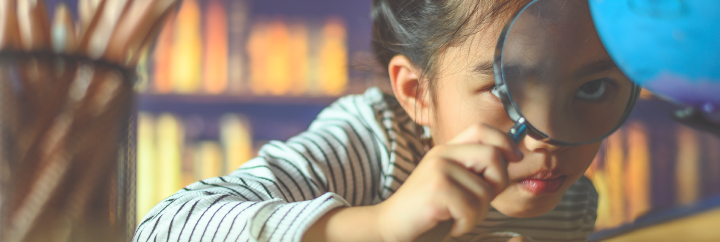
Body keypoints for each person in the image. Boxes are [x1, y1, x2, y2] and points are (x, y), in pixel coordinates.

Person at [133, 0, 603, 241]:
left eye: (592, 88)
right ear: (416, 93)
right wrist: (379, 227)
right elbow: (165, 229)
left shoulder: (570, 199)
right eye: (506, 89)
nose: (551, 138)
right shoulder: (374, 142)